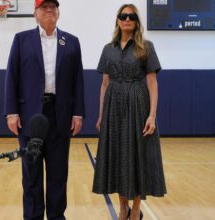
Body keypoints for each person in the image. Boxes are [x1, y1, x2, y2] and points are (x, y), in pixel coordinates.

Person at [4, 0, 85, 219]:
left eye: (53, 7)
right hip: (31, 117)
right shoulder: (21, 40)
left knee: (58, 175)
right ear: (35, 14)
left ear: (58, 13)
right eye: (44, 7)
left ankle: (57, 216)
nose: (49, 10)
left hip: (60, 116)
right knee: (31, 175)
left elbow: (78, 80)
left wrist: (78, 113)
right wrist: (11, 112)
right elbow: (11, 76)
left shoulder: (72, 42)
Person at [92, 4, 166, 220]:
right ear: (117, 20)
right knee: (117, 155)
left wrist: (152, 115)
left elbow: (152, 83)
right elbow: (105, 84)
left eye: (131, 16)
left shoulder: (146, 47)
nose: (127, 19)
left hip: (138, 104)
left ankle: (135, 210)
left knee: (137, 156)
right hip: (114, 106)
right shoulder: (108, 49)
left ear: (136, 21)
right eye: (123, 16)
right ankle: (122, 207)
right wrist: (101, 115)